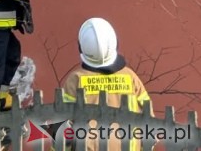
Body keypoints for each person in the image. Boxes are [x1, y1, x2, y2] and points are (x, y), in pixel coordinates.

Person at [59, 18, 151, 151]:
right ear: (115, 43)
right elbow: (149, 120)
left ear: (81, 48)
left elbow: (64, 125)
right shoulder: (130, 77)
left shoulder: (76, 79)